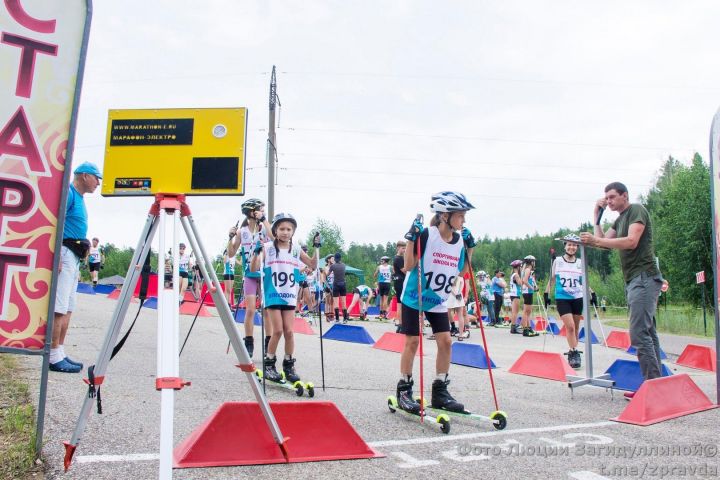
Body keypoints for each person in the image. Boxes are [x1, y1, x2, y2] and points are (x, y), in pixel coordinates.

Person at [395, 191, 476, 415]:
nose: (464, 221)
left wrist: (470, 248)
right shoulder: (427, 235)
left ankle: (440, 391)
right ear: (444, 216)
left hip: (438, 300)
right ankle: (404, 389)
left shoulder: (459, 241)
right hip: (414, 296)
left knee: (446, 341)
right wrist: (412, 239)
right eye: (460, 216)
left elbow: (462, 271)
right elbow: (409, 266)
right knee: (412, 342)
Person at [581, 181, 663, 393]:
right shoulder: (619, 220)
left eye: (611, 197)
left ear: (624, 196)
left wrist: (595, 240)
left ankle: (652, 386)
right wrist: (596, 216)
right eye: (606, 198)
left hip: (644, 277)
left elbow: (631, 241)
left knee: (638, 333)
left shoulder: (636, 210)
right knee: (647, 331)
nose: (608, 201)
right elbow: (601, 243)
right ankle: (657, 384)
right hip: (634, 280)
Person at [250, 213, 319, 383]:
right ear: (275, 230)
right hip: (273, 294)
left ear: (293, 232)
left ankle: (288, 364)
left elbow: (312, 264)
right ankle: (269, 364)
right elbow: (254, 268)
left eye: (289, 229)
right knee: (278, 330)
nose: (285, 232)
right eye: (281, 229)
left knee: (289, 331)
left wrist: (316, 248)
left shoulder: (295, 248)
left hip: (289, 295)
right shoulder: (268, 247)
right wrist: (256, 252)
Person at [50, 162, 101, 373]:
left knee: (69, 306)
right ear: (85, 176)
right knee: (59, 306)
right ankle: (52, 355)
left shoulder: (79, 198)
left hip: (75, 256)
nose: (98, 183)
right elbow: (57, 222)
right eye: (96, 178)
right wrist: (55, 255)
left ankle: (60, 351)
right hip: (64, 253)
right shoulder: (69, 194)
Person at [228, 198, 274, 357]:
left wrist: (264, 219)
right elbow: (231, 253)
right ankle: (249, 341)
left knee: (267, 310)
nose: (263, 211)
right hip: (250, 274)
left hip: (265, 272)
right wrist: (231, 237)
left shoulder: (264, 228)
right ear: (252, 212)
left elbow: (274, 238)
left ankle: (269, 342)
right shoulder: (243, 232)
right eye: (261, 209)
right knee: (250, 309)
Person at [545, 234, 584, 368]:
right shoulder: (558, 261)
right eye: (569, 244)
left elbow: (584, 280)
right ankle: (574, 352)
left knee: (576, 327)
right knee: (571, 327)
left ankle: (574, 350)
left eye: (574, 245)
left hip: (577, 297)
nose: (571, 247)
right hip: (563, 298)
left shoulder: (580, 262)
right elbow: (552, 279)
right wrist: (546, 293)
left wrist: (592, 293)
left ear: (577, 247)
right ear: (565, 246)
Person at [520, 255, 540, 336]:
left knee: (528, 311)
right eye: (534, 261)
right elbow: (524, 281)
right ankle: (525, 329)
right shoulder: (528, 269)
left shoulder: (528, 270)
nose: (534, 263)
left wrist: (535, 286)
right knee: (526, 311)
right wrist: (532, 288)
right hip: (527, 292)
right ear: (531, 262)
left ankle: (528, 328)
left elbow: (529, 280)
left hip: (528, 292)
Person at [444, 275, 468, 340]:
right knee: (460, 315)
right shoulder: (460, 275)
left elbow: (449, 287)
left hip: (450, 296)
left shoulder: (450, 274)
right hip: (459, 295)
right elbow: (462, 285)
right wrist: (459, 293)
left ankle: (448, 332)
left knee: (447, 313)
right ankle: (460, 335)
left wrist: (455, 294)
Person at [329, 252, 348, 323]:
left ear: (335, 258)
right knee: (343, 302)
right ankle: (345, 319)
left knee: (336, 303)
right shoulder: (344, 265)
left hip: (336, 285)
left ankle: (337, 319)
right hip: (343, 285)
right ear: (340, 258)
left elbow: (328, 274)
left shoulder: (333, 266)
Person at [392, 240, 407, 332]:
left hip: (398, 281)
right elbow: (405, 270)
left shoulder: (396, 258)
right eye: (403, 248)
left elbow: (394, 271)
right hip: (401, 282)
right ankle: (401, 325)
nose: (404, 250)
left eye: (405, 248)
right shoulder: (399, 258)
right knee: (401, 304)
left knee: (399, 304)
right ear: (398, 248)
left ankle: (400, 325)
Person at [508, 260, 523, 333]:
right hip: (515, 294)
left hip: (513, 294)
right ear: (518, 267)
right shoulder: (516, 275)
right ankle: (513, 327)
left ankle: (513, 326)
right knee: (515, 312)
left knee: (514, 311)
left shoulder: (513, 274)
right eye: (521, 266)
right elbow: (520, 283)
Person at [322, 254, 335, 321]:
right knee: (327, 301)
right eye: (332, 258)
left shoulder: (334, 267)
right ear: (328, 260)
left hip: (333, 286)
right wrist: (328, 287)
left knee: (332, 301)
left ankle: (332, 314)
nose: (333, 260)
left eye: (334, 259)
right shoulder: (325, 268)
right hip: (327, 286)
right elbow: (324, 279)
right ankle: (327, 315)